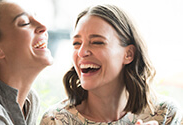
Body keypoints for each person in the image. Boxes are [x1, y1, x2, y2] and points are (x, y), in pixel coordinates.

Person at [40, 4, 183, 125]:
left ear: (128, 54)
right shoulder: (56, 120)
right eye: (76, 43)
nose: (82, 52)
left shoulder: (165, 114)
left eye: (97, 42)